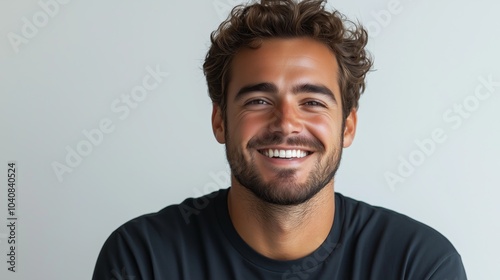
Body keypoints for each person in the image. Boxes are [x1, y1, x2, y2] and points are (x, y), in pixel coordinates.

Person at [92, 0, 467, 279]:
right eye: (258, 100)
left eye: (312, 102)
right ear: (220, 121)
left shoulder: (417, 264)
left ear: (347, 126)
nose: (286, 123)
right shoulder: (142, 259)